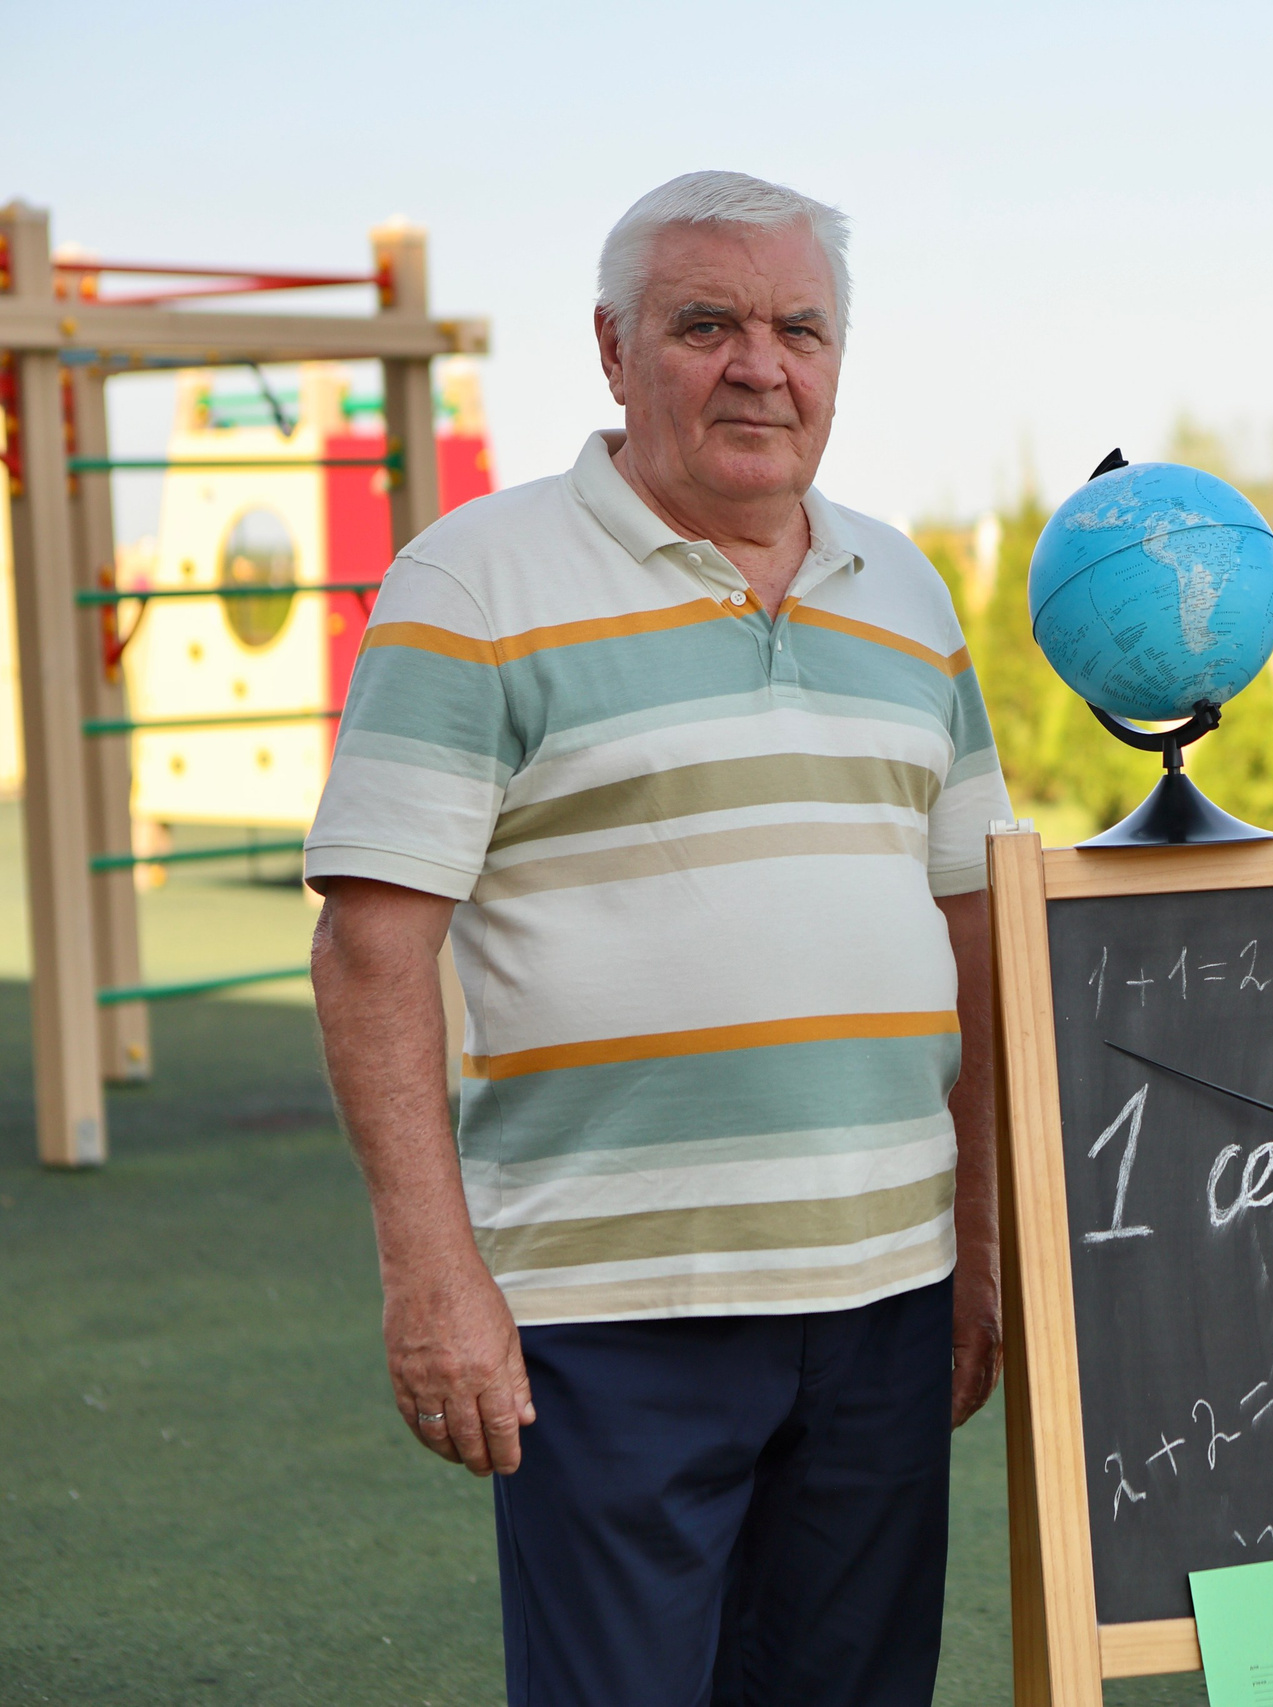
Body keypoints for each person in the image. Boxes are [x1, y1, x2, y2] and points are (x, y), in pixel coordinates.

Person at [305, 171, 1009, 1707]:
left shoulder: (908, 591)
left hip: (886, 1292)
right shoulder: (473, 581)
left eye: (799, 328)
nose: (762, 363)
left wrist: (983, 1247)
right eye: (708, 324)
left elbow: (977, 939)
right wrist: (434, 1276)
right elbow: (371, 948)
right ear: (615, 351)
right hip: (613, 1309)